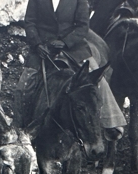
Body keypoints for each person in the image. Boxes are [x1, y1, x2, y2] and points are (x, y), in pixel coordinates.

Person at [15, 0, 126, 133]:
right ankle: (19, 128)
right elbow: (30, 22)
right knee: (24, 84)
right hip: (44, 47)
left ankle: (110, 122)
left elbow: (82, 27)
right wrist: (37, 44)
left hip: (73, 47)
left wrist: (65, 42)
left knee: (95, 77)